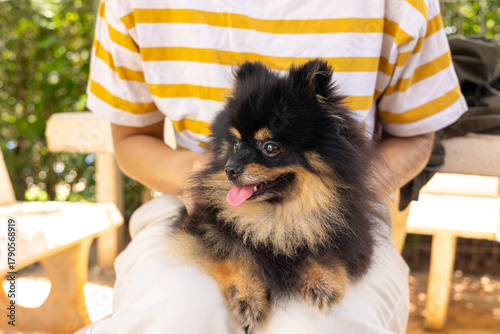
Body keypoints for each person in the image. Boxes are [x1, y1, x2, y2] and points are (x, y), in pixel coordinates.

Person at [79, 0, 467, 333]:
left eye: (269, 145)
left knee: (319, 323)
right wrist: (200, 173)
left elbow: (416, 134)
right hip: (191, 199)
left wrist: (344, 191)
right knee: (173, 313)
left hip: (346, 205)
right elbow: (130, 137)